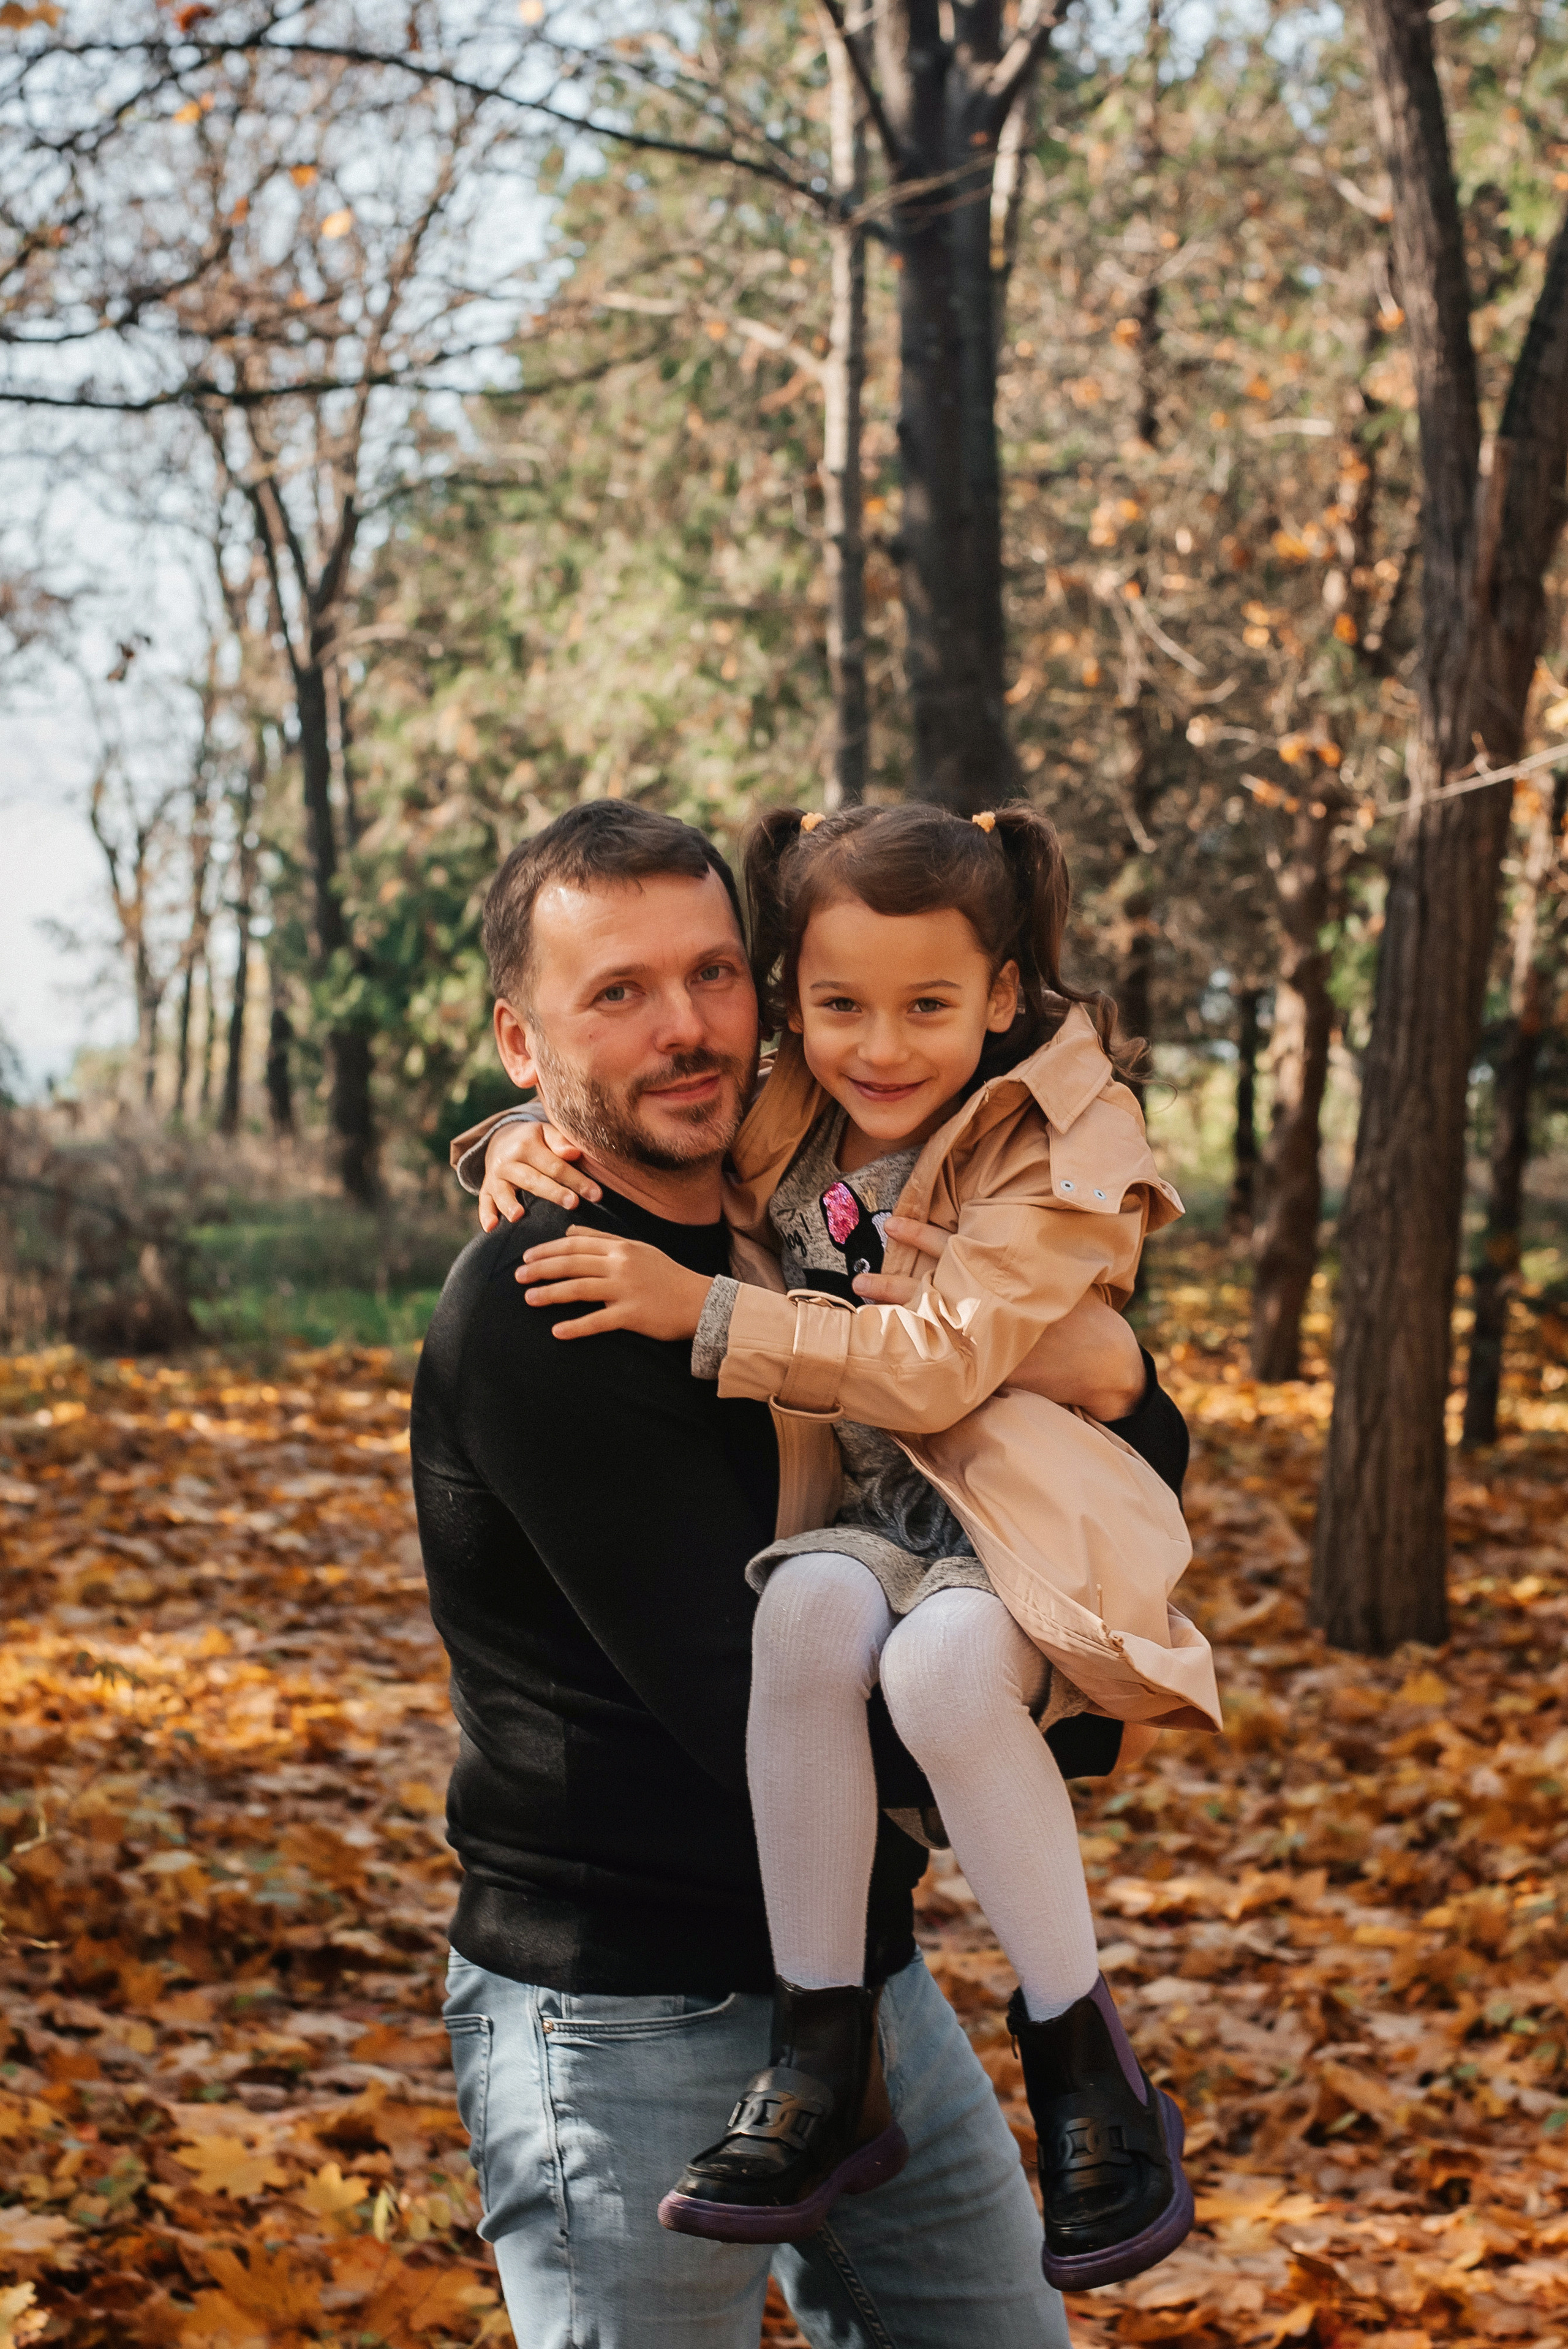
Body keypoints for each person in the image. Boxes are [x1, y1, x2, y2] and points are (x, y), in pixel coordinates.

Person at [472, 802, 1219, 2299]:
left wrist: (1127, 1389)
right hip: (625, 1986)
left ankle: (1076, 2060)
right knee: (807, 1614)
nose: (683, 1030)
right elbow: (718, 1664)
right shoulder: (562, 1284)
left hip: (883, 1907)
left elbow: (1038, 1406)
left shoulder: (918, 1158)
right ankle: (831, 2052)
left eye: (709, 979)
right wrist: (507, 1137)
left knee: (936, 1660)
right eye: (614, 994)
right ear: (524, 1039)